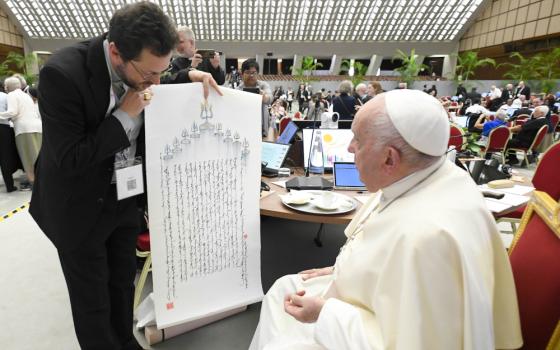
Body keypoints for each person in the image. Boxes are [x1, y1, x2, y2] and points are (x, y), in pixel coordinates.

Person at [250, 89, 522, 350]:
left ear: (389, 159)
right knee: (283, 288)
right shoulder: (435, 174)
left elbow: (401, 343)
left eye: (357, 139)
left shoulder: (428, 238)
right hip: (371, 301)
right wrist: (340, 270)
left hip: (364, 329)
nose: (350, 147)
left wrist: (323, 313)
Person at [30, 3, 220, 349]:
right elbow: (70, 159)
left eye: (162, 72)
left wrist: (186, 77)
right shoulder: (62, 74)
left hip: (123, 199)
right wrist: (122, 117)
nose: (155, 83)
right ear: (116, 52)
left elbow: (157, 79)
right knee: (93, 303)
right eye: (150, 75)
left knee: (122, 287)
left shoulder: (145, 67)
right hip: (77, 206)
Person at [0, 76, 42, 189]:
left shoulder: (11, 95)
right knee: (38, 156)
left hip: (24, 130)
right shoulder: (25, 95)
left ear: (8, 87)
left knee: (27, 158)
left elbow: (13, 112)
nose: (4, 88)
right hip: (37, 127)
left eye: (5, 86)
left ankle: (34, 183)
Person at [236, 58, 272, 137]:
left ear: (257, 74)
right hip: (244, 128)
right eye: (248, 72)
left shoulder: (263, 85)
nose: (251, 75)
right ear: (242, 74)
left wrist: (264, 98)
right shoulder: (237, 90)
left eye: (254, 73)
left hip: (261, 130)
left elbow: (270, 98)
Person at [0, 80, 22, 192]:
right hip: (3, 128)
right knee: (5, 156)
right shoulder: (6, 96)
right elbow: (12, 112)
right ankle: (9, 186)